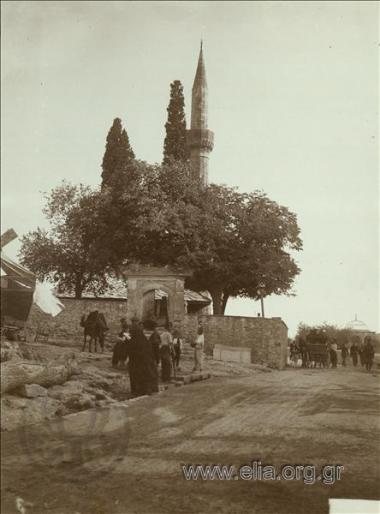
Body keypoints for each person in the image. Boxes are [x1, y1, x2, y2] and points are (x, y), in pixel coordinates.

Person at [128, 321, 159, 397]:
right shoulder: (149, 338)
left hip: (137, 362)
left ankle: (138, 391)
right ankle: (147, 390)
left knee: (138, 376)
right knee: (147, 375)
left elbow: (131, 349)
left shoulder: (136, 337)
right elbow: (154, 350)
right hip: (146, 361)